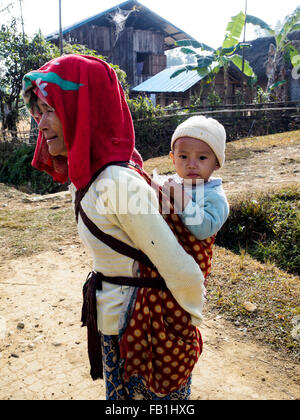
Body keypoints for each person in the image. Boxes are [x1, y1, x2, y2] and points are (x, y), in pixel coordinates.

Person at [22, 54, 210, 400]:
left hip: (139, 331)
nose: (41, 124)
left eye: (50, 110)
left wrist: (187, 323)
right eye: (40, 111)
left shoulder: (106, 181)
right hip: (133, 330)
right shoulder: (102, 178)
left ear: (85, 110)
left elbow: (182, 272)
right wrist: (190, 321)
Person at [165, 116, 230, 243]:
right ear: (173, 158)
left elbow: (203, 230)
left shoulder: (215, 197)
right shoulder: (174, 183)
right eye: (183, 156)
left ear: (217, 163)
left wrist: (180, 196)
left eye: (201, 158)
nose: (191, 164)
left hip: (190, 259)